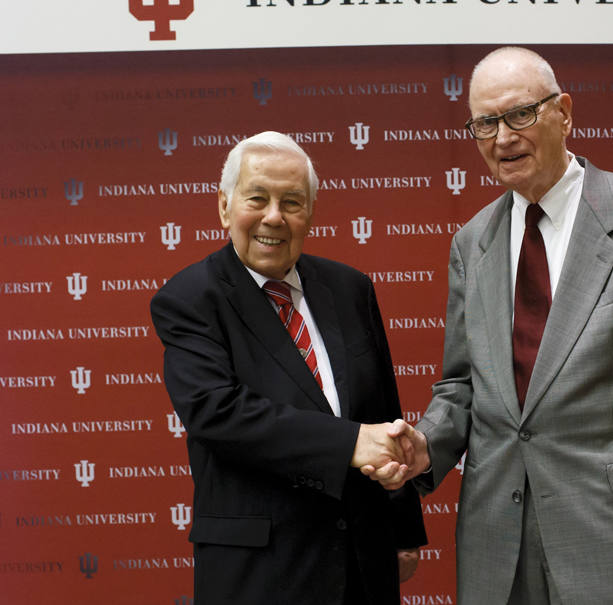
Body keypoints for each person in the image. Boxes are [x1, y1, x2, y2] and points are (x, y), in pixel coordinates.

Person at [367, 47, 613, 604]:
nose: (502, 137)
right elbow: (461, 387)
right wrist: (424, 447)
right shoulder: (471, 244)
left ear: (564, 112)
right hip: (495, 532)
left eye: (520, 114)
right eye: (485, 123)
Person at [150, 131, 426, 604]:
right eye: (257, 198)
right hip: (260, 572)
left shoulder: (349, 287)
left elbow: (384, 408)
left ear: (310, 213)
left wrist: (401, 528)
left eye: (292, 202)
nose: (274, 217)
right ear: (224, 206)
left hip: (362, 561)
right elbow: (218, 412)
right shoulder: (190, 298)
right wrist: (349, 444)